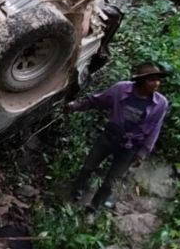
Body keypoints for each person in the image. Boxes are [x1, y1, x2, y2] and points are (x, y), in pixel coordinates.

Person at [64, 61, 170, 211]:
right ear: (141, 80)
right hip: (110, 136)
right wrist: (75, 106)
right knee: (88, 166)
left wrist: (143, 152)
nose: (157, 83)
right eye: (152, 80)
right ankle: (76, 191)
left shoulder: (160, 104)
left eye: (158, 80)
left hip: (130, 146)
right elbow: (98, 100)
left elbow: (155, 129)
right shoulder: (121, 89)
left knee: (112, 179)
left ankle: (95, 206)